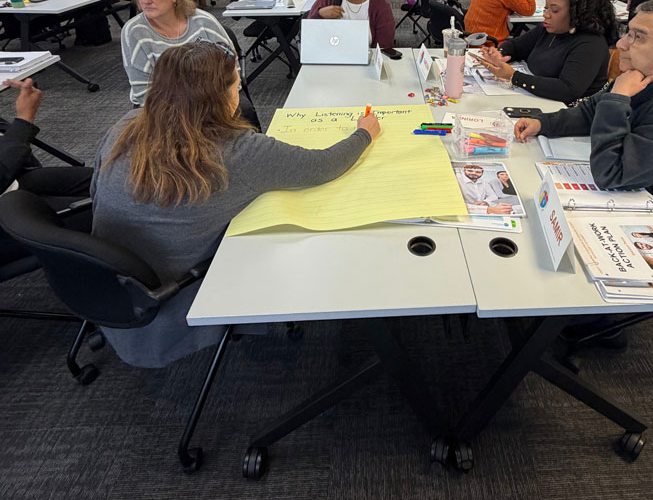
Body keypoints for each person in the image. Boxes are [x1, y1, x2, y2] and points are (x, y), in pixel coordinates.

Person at [91, 42, 380, 367]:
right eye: (236, 87)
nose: (238, 94)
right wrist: (364, 133)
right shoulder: (235, 151)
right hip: (176, 296)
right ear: (219, 98)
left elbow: (95, 194)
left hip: (107, 285)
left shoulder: (124, 127)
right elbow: (324, 165)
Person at [514, 0, 653, 242]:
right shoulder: (643, 74)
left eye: (637, 37)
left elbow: (610, 173)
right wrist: (543, 123)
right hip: (630, 199)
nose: (621, 44)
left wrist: (617, 99)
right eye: (628, 33)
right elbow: (590, 112)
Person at [477, 0, 616, 103]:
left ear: (579, 11)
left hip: (568, 111)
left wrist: (514, 77)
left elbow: (567, 90)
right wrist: (499, 54)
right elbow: (516, 46)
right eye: (546, 8)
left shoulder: (591, 44)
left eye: (554, 10)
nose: (546, 15)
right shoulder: (550, 29)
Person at [0, 78, 93, 263]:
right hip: (5, 211)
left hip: (12, 180)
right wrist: (25, 119)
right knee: (112, 213)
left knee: (111, 180)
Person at [121, 0, 232, 107]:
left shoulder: (203, 22)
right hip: (162, 108)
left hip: (210, 102)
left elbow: (231, 69)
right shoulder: (135, 31)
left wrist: (219, 107)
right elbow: (144, 93)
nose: (145, 0)